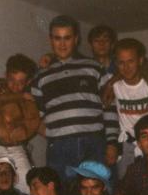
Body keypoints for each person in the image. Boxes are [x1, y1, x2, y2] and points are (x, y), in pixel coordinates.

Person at [31, 15, 118, 182]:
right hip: (60, 148)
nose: (62, 44)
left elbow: (109, 107)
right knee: (62, 193)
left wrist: (112, 142)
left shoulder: (94, 67)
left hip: (93, 144)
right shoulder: (40, 76)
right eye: (57, 38)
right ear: (51, 40)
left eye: (67, 38)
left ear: (76, 39)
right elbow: (34, 116)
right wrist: (52, 135)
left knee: (99, 191)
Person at [105, 38, 148, 179]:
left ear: (140, 61)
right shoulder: (114, 86)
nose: (126, 67)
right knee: (126, 184)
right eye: (121, 63)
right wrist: (110, 84)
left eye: (131, 61)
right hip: (127, 145)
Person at [0, 54, 40, 194]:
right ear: (6, 75)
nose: (15, 85)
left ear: (28, 82)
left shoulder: (28, 99)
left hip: (16, 148)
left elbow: (32, 123)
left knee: (28, 186)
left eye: (21, 82)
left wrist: (22, 130)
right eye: (11, 80)